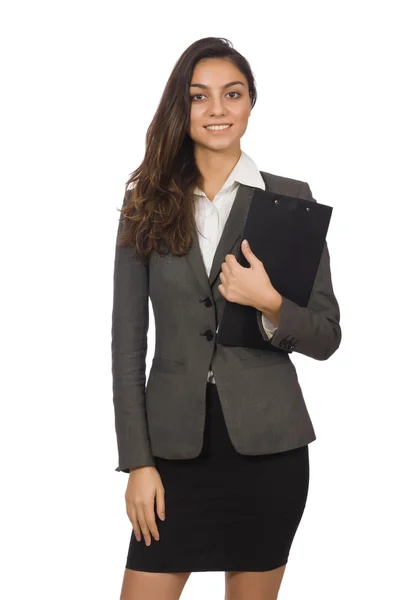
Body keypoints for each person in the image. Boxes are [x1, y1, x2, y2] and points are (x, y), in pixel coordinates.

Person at [111, 37, 342, 600]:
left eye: (231, 94)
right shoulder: (147, 204)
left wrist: (268, 301)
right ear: (179, 108)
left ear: (250, 103)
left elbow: (327, 334)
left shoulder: (290, 199)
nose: (217, 109)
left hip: (270, 449)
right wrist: (137, 463)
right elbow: (125, 346)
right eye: (199, 96)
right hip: (171, 452)